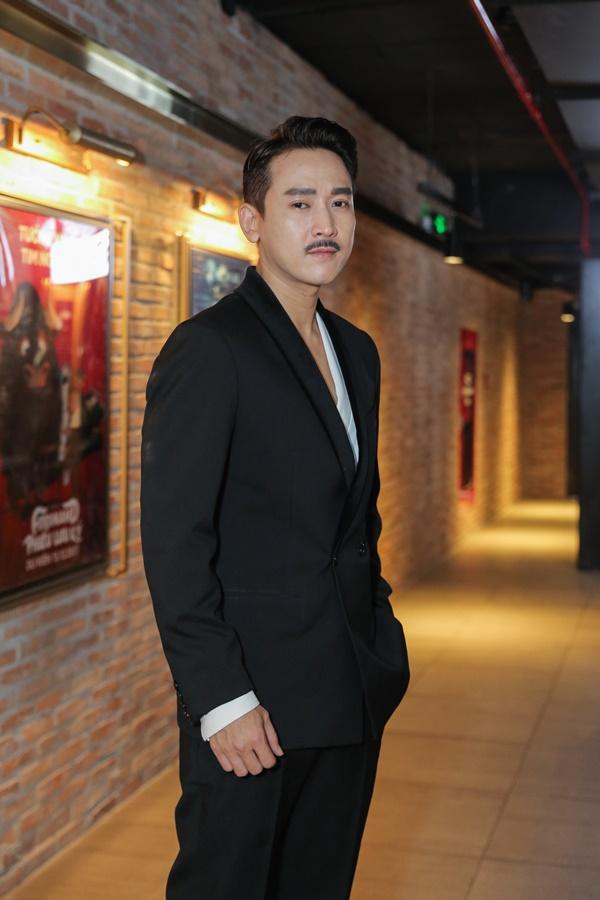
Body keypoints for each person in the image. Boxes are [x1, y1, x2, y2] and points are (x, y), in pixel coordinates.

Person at [140, 115, 410, 900]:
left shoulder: (356, 351)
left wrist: (380, 641)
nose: (325, 222)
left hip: (348, 690)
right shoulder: (210, 348)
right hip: (249, 705)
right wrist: (219, 700)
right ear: (252, 221)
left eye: (340, 202)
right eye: (300, 203)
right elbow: (176, 542)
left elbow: (358, 521)